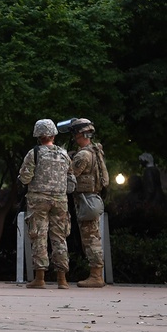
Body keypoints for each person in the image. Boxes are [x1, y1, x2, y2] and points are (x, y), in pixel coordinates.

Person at [18, 118, 75, 290]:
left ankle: (40, 278)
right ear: (54, 135)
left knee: (39, 236)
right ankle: (62, 279)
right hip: (60, 200)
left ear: (38, 135)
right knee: (60, 237)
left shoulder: (34, 153)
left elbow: (25, 177)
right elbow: (71, 182)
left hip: (38, 200)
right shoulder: (64, 154)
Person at [70, 117, 109, 288]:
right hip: (94, 198)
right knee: (93, 235)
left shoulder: (83, 155)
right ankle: (96, 274)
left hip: (86, 199)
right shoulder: (96, 151)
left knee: (90, 238)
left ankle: (96, 276)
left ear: (80, 134)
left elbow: (71, 174)